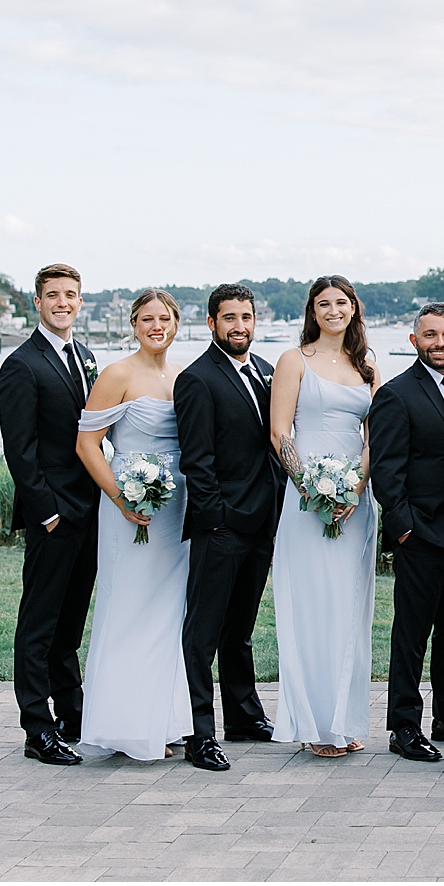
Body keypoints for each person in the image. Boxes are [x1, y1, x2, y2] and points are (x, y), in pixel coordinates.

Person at [73, 289, 191, 761]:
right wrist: (121, 498)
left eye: (164, 318)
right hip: (130, 506)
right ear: (134, 325)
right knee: (130, 607)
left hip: (176, 506)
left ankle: (164, 720)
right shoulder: (117, 374)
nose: (156, 326)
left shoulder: (182, 376)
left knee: (169, 612)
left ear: (176, 324)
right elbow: (87, 444)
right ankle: (124, 725)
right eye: (147, 319)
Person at [173, 284, 287, 772]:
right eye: (229, 318)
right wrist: (215, 519)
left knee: (239, 629)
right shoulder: (197, 379)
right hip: (221, 527)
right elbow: (196, 461)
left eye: (246, 317)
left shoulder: (265, 371)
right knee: (202, 634)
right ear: (211, 323)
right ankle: (200, 733)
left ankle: (243, 715)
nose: (239, 326)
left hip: (263, 521)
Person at [268, 275, 378, 758]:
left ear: (353, 309)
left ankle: (344, 718)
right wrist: (311, 491)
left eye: (341, 302)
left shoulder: (368, 365)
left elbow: (374, 437)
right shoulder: (294, 360)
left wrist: (355, 488)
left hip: (355, 500)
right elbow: (280, 434)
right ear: (312, 312)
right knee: (313, 605)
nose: (333, 310)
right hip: (306, 500)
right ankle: (314, 723)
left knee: (350, 608)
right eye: (323, 304)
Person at [0, 263, 100, 766]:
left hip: (91, 512)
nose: (63, 303)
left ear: (80, 301)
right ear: (37, 302)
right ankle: (38, 729)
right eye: (53, 295)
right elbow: (20, 451)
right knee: (39, 625)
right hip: (54, 516)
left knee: (70, 626)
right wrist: (47, 514)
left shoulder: (85, 356)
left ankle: (73, 716)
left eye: (70, 295)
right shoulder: (21, 365)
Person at [369, 303, 444, 763]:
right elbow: (386, 471)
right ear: (414, 340)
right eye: (430, 335)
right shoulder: (395, 394)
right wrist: (403, 530)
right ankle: (404, 726)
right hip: (421, 534)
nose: (439, 343)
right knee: (411, 635)